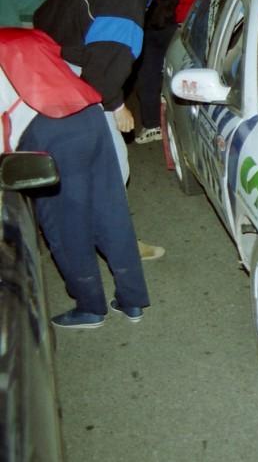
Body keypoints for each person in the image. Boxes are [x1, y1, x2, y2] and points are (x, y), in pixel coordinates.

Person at [33, 0, 198, 260]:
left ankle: (76, 233)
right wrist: (118, 107)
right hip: (67, 72)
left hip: (42, 54)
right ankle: (115, 243)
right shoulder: (126, 10)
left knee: (71, 161)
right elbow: (103, 74)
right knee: (113, 162)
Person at [0, 28, 149, 329]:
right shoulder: (24, 36)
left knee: (66, 224)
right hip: (88, 112)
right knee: (110, 210)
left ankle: (90, 307)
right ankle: (132, 299)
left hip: (47, 128)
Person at [129, 0, 204, 145]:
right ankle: (152, 125)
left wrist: (188, 25)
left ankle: (189, 125)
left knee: (179, 75)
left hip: (176, 27)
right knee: (149, 75)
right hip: (147, 28)